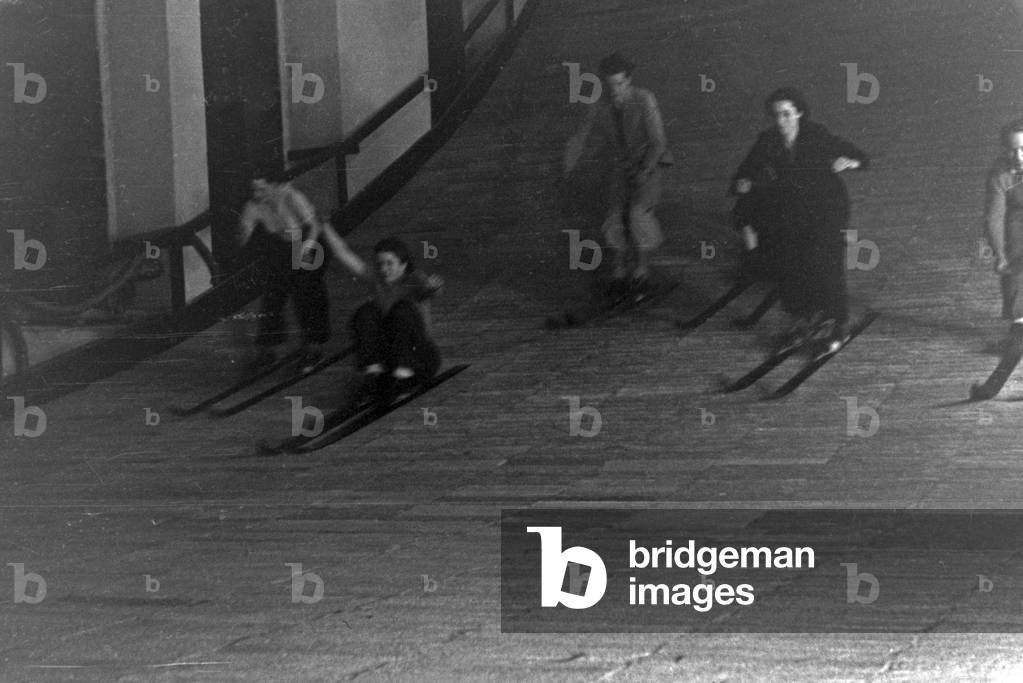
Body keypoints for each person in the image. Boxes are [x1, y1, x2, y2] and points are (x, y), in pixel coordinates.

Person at [731, 87, 869, 354]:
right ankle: (802, 319)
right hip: (793, 210)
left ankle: (835, 322)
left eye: (786, 114)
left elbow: (859, 156)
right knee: (792, 262)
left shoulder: (815, 135)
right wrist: (742, 182)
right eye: (776, 115)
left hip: (827, 208)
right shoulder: (768, 140)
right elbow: (746, 168)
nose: (781, 121)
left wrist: (847, 163)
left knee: (826, 260)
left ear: (799, 113)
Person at [563, 52, 674, 302]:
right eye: (610, 84)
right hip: (620, 169)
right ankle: (619, 272)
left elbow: (658, 143)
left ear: (629, 80)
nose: (615, 90)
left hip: (649, 166)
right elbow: (582, 137)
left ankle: (641, 272)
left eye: (620, 84)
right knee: (613, 217)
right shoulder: (600, 106)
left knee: (636, 215)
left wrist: (643, 171)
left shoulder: (644, 99)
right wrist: (570, 164)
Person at [320, 222, 443, 399]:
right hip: (390, 359)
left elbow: (430, 290)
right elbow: (344, 254)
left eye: (389, 263)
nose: (384, 269)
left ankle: (405, 375)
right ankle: (374, 373)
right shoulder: (377, 280)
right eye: (380, 264)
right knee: (366, 311)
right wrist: (324, 225)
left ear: (403, 265)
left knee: (402, 309)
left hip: (420, 358)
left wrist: (434, 287)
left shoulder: (414, 278)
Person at [237, 172, 331, 373]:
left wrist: (305, 251)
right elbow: (244, 234)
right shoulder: (253, 205)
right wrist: (243, 232)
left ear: (274, 185)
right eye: (253, 189)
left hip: (309, 241)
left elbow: (314, 226)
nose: (257, 193)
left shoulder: (291, 196)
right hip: (281, 245)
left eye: (262, 189)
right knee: (273, 295)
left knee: (306, 293)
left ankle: (314, 348)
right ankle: (268, 351)